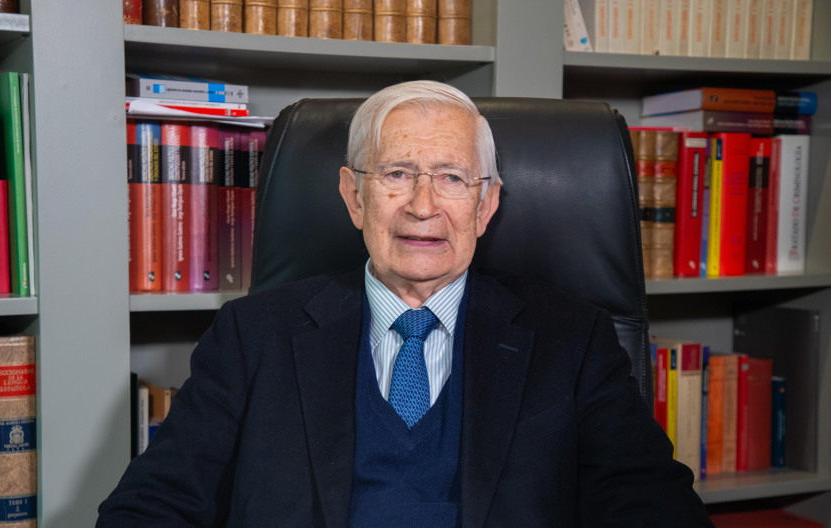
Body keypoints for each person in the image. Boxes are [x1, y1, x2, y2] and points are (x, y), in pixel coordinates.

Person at [97, 81, 713, 527]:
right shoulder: (253, 334)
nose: (423, 205)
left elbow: (654, 506)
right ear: (353, 196)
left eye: (451, 177)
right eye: (396, 173)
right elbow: (152, 506)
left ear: (487, 203)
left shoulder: (571, 339)